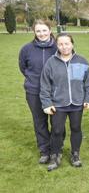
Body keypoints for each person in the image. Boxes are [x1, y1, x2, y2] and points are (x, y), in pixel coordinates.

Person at [39, 33, 89, 171]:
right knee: (57, 130)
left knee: (76, 128)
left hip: (77, 103)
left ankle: (75, 154)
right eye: (61, 44)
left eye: (67, 43)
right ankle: (55, 155)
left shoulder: (82, 61)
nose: (64, 47)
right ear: (57, 45)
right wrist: (47, 103)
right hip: (58, 104)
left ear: (72, 44)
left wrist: (88, 99)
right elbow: (45, 85)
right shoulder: (51, 62)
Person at [18, 20, 57, 164]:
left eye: (44, 30)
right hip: (34, 91)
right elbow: (23, 67)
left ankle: (55, 149)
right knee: (39, 121)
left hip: (56, 91)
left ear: (50, 30)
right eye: (38, 31)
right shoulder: (26, 49)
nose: (42, 34)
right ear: (34, 32)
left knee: (56, 121)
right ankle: (44, 150)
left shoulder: (58, 46)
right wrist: (33, 80)